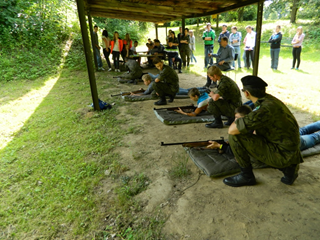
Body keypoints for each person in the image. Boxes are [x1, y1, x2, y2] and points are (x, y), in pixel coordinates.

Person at [224, 75, 303, 187]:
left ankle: (247, 176)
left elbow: (232, 130)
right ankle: (288, 169)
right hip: (289, 149)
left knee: (235, 137)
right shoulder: (269, 100)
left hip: (283, 153)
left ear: (246, 93)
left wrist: (238, 120)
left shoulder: (264, 109)